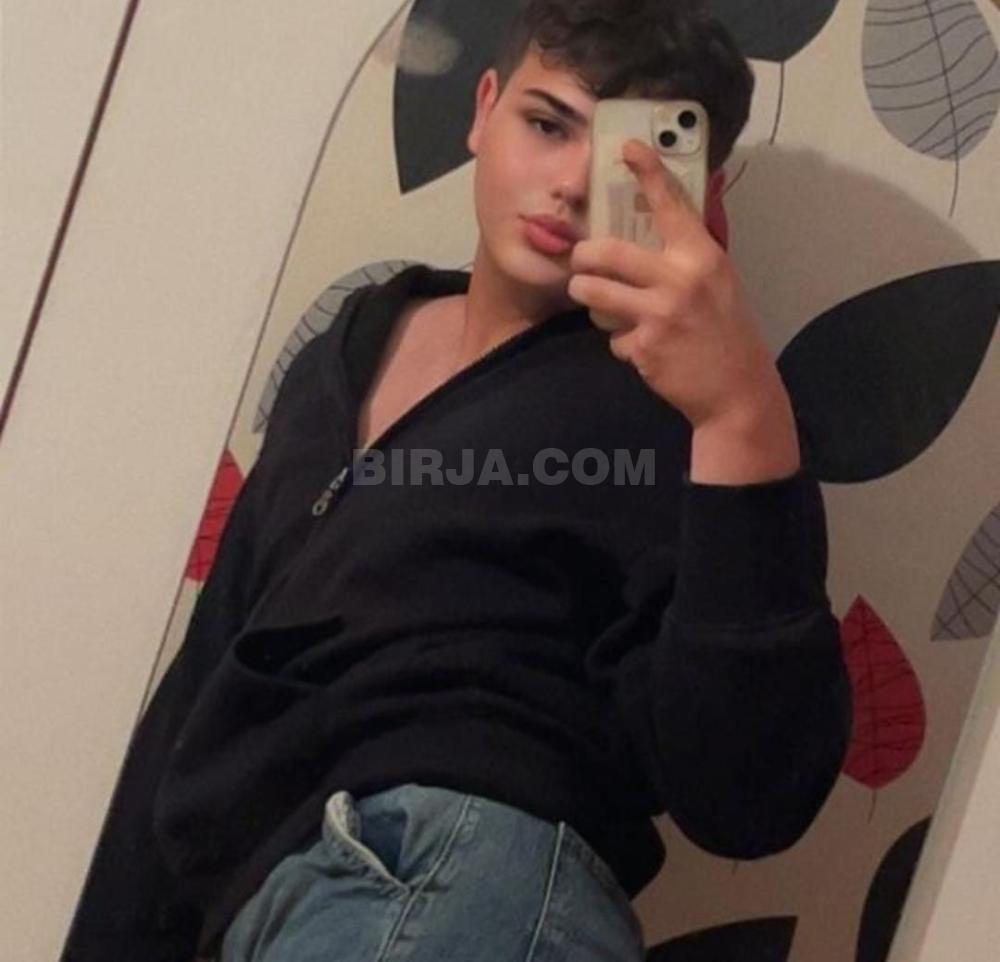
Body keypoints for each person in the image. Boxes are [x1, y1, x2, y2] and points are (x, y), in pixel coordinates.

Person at [61, 1, 852, 960]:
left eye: (625, 156)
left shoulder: (666, 408)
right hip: (271, 905)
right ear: (482, 111)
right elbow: (206, 674)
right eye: (548, 124)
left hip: (465, 878)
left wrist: (737, 420)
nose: (570, 184)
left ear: (694, 186)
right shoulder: (347, 348)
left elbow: (749, 794)